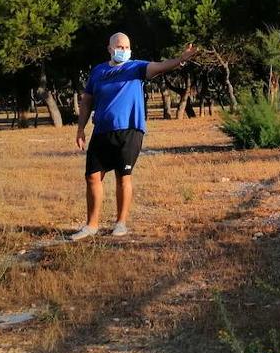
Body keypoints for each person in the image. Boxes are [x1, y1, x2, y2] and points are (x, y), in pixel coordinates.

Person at [70, 33, 197, 240]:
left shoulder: (135, 67)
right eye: (120, 46)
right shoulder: (98, 72)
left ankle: (120, 223)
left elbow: (161, 66)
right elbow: (86, 101)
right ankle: (91, 225)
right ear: (110, 48)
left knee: (123, 176)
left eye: (127, 47)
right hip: (101, 130)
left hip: (129, 130)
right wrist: (80, 129)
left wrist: (180, 60)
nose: (124, 50)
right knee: (92, 177)